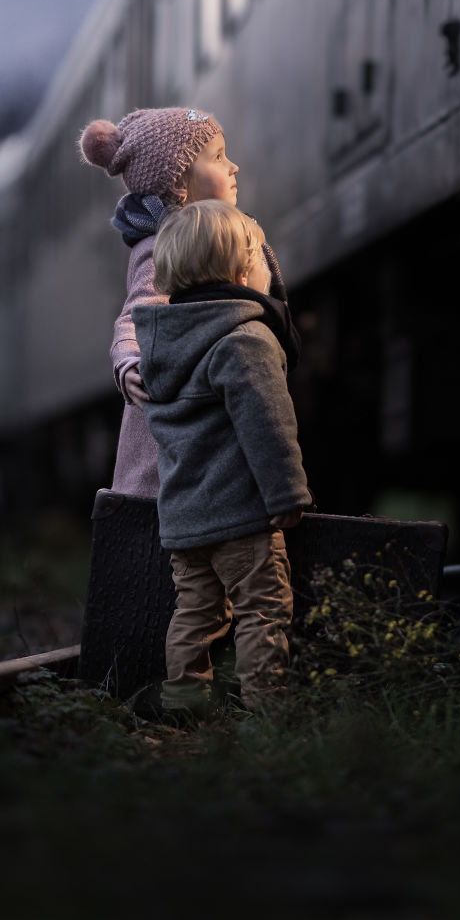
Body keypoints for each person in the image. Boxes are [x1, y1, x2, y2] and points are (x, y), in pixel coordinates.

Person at [132, 198, 313, 713]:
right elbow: (269, 427)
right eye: (261, 257)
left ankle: (185, 704)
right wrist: (288, 494)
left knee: (195, 612)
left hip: (185, 521)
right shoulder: (245, 340)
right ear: (239, 271)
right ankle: (265, 712)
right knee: (263, 610)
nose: (266, 268)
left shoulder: (163, 345)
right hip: (241, 517)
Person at [78, 107, 296, 499]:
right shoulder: (164, 246)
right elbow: (138, 311)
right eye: (217, 157)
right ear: (179, 184)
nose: (234, 167)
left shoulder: (221, 233)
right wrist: (129, 360)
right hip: (167, 445)